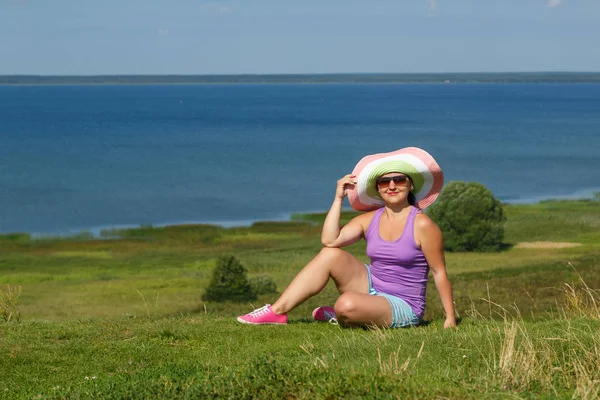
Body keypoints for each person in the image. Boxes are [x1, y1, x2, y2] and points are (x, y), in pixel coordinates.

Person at [237, 147, 456, 329]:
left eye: (399, 180)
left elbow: (439, 272)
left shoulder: (423, 224)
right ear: (378, 190)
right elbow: (330, 240)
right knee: (330, 254)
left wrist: (450, 318)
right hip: (370, 286)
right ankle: (277, 312)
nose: (391, 186)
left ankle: (342, 313)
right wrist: (338, 198)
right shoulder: (370, 219)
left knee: (346, 304)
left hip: (403, 304)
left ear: (410, 185)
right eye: (384, 182)